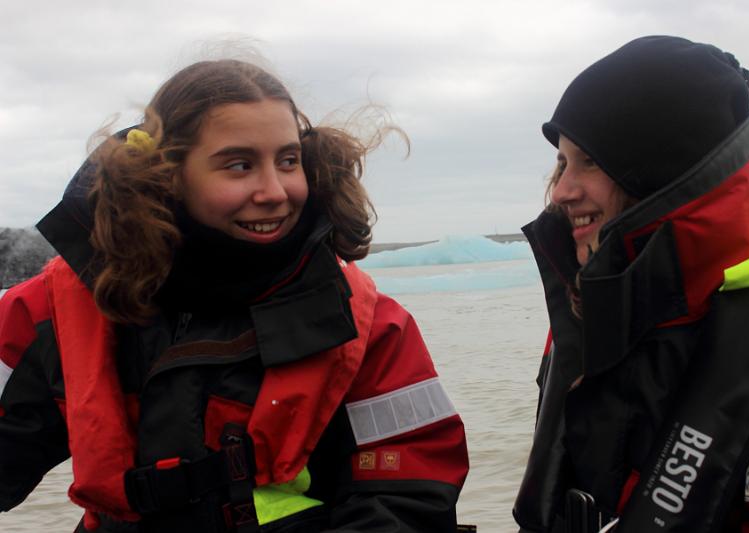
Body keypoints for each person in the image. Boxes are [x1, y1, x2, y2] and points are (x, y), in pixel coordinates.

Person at [0, 58, 469, 533]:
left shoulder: (366, 323)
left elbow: (409, 496)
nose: (275, 191)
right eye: (240, 165)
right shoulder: (55, 308)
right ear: (167, 174)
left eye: (288, 161)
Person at [513, 35, 749, 532]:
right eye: (562, 163)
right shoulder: (588, 306)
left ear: (665, 173)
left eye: (590, 161)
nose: (561, 191)